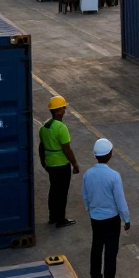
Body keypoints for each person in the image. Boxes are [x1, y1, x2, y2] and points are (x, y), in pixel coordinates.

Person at [83, 138, 129, 278]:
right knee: (110, 252)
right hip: (111, 219)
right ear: (109, 155)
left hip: (95, 218)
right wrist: (126, 219)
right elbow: (120, 200)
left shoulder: (88, 174)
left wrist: (90, 210)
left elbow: (85, 196)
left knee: (96, 247)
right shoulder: (114, 176)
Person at [38, 95, 80, 228]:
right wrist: (75, 163)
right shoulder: (61, 128)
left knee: (53, 190)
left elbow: (41, 146)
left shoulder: (44, 126)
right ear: (57, 111)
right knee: (62, 192)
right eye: (63, 108)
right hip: (61, 164)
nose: (64, 110)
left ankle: (52, 217)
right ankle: (61, 219)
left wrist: (42, 160)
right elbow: (67, 149)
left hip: (50, 164)